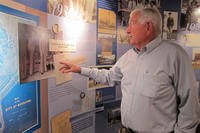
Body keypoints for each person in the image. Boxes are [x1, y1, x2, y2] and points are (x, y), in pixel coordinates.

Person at [59, 8, 200, 132]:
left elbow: (190, 103)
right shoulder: (128, 57)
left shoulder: (175, 55)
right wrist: (80, 70)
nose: (127, 30)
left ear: (148, 26)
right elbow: (109, 76)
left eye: (132, 23)